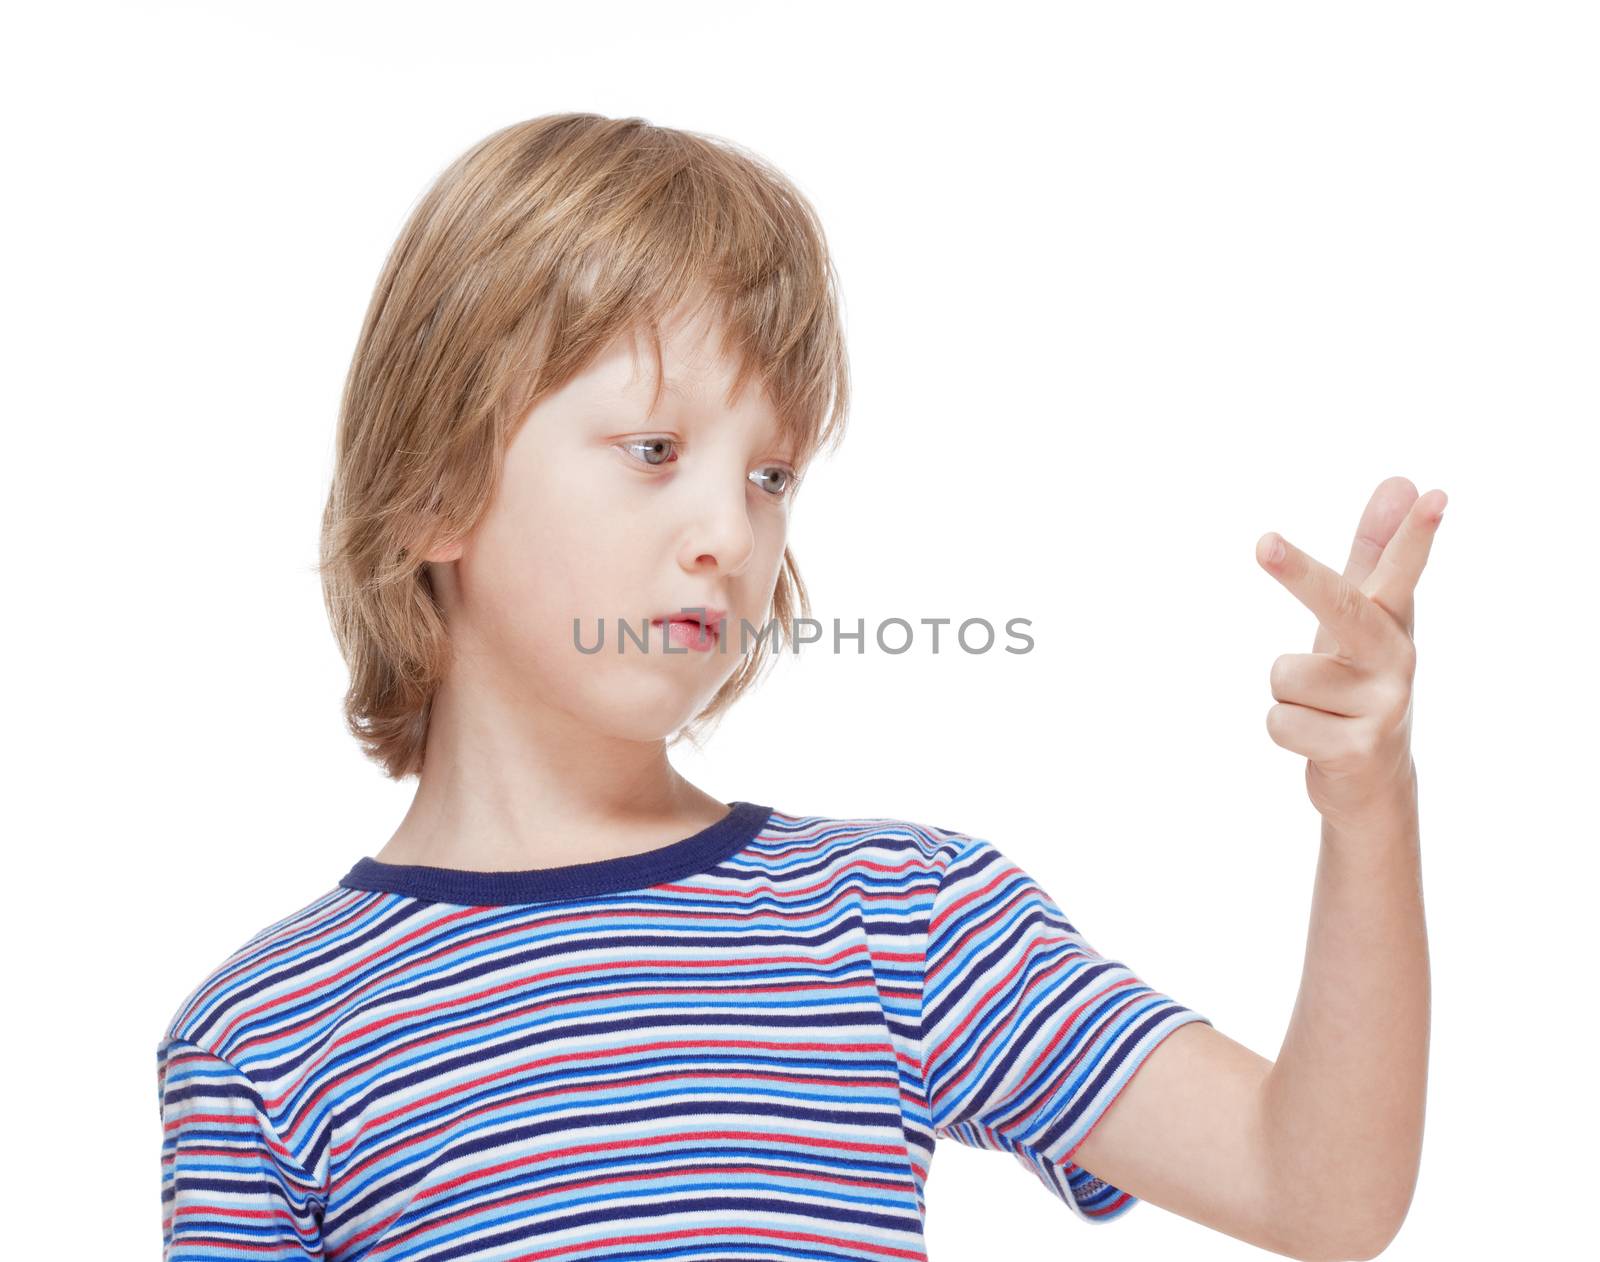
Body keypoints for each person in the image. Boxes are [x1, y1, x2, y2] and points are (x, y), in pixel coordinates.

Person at [156, 112, 1441, 1262]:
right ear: (436, 487)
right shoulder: (263, 1035)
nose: (730, 526)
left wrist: (1366, 802)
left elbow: (1317, 1194)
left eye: (771, 475)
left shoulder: (899, 917)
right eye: (654, 448)